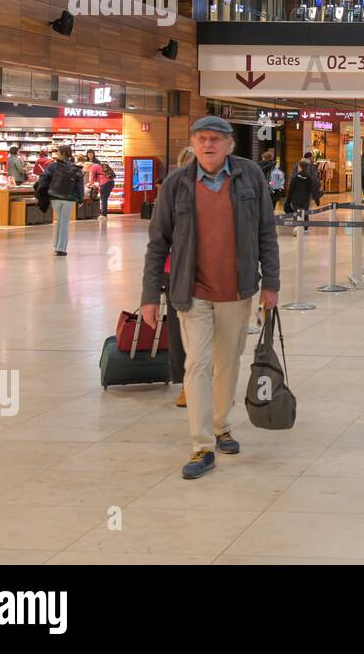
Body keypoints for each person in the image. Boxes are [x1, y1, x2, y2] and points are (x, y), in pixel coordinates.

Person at [140, 116, 280, 481]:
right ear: (193, 143)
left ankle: (221, 425)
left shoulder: (249, 177)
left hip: (237, 288)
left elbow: (267, 231)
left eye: (216, 139)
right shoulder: (176, 184)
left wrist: (272, 283)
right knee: (197, 364)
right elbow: (158, 243)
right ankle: (201, 445)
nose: (208, 145)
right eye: (202, 139)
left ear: (230, 144)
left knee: (228, 361)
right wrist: (150, 295)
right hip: (191, 291)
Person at [168, 146, 194, 408]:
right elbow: (160, 236)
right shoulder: (172, 191)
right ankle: (187, 384)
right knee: (180, 333)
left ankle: (209, 384)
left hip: (213, 274)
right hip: (177, 271)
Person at [36, 145, 85, 255]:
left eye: (58, 151)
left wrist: (44, 190)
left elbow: (43, 177)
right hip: (69, 198)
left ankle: (56, 246)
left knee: (59, 221)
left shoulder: (53, 166)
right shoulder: (75, 168)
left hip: (55, 197)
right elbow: (80, 185)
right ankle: (61, 248)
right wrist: (81, 199)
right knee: (64, 222)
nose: (56, 153)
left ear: (63, 153)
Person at [88, 153, 117, 219]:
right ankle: (104, 213)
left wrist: (90, 184)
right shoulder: (99, 166)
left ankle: (104, 214)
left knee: (103, 198)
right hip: (111, 182)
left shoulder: (92, 167)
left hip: (105, 183)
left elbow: (92, 178)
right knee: (105, 198)